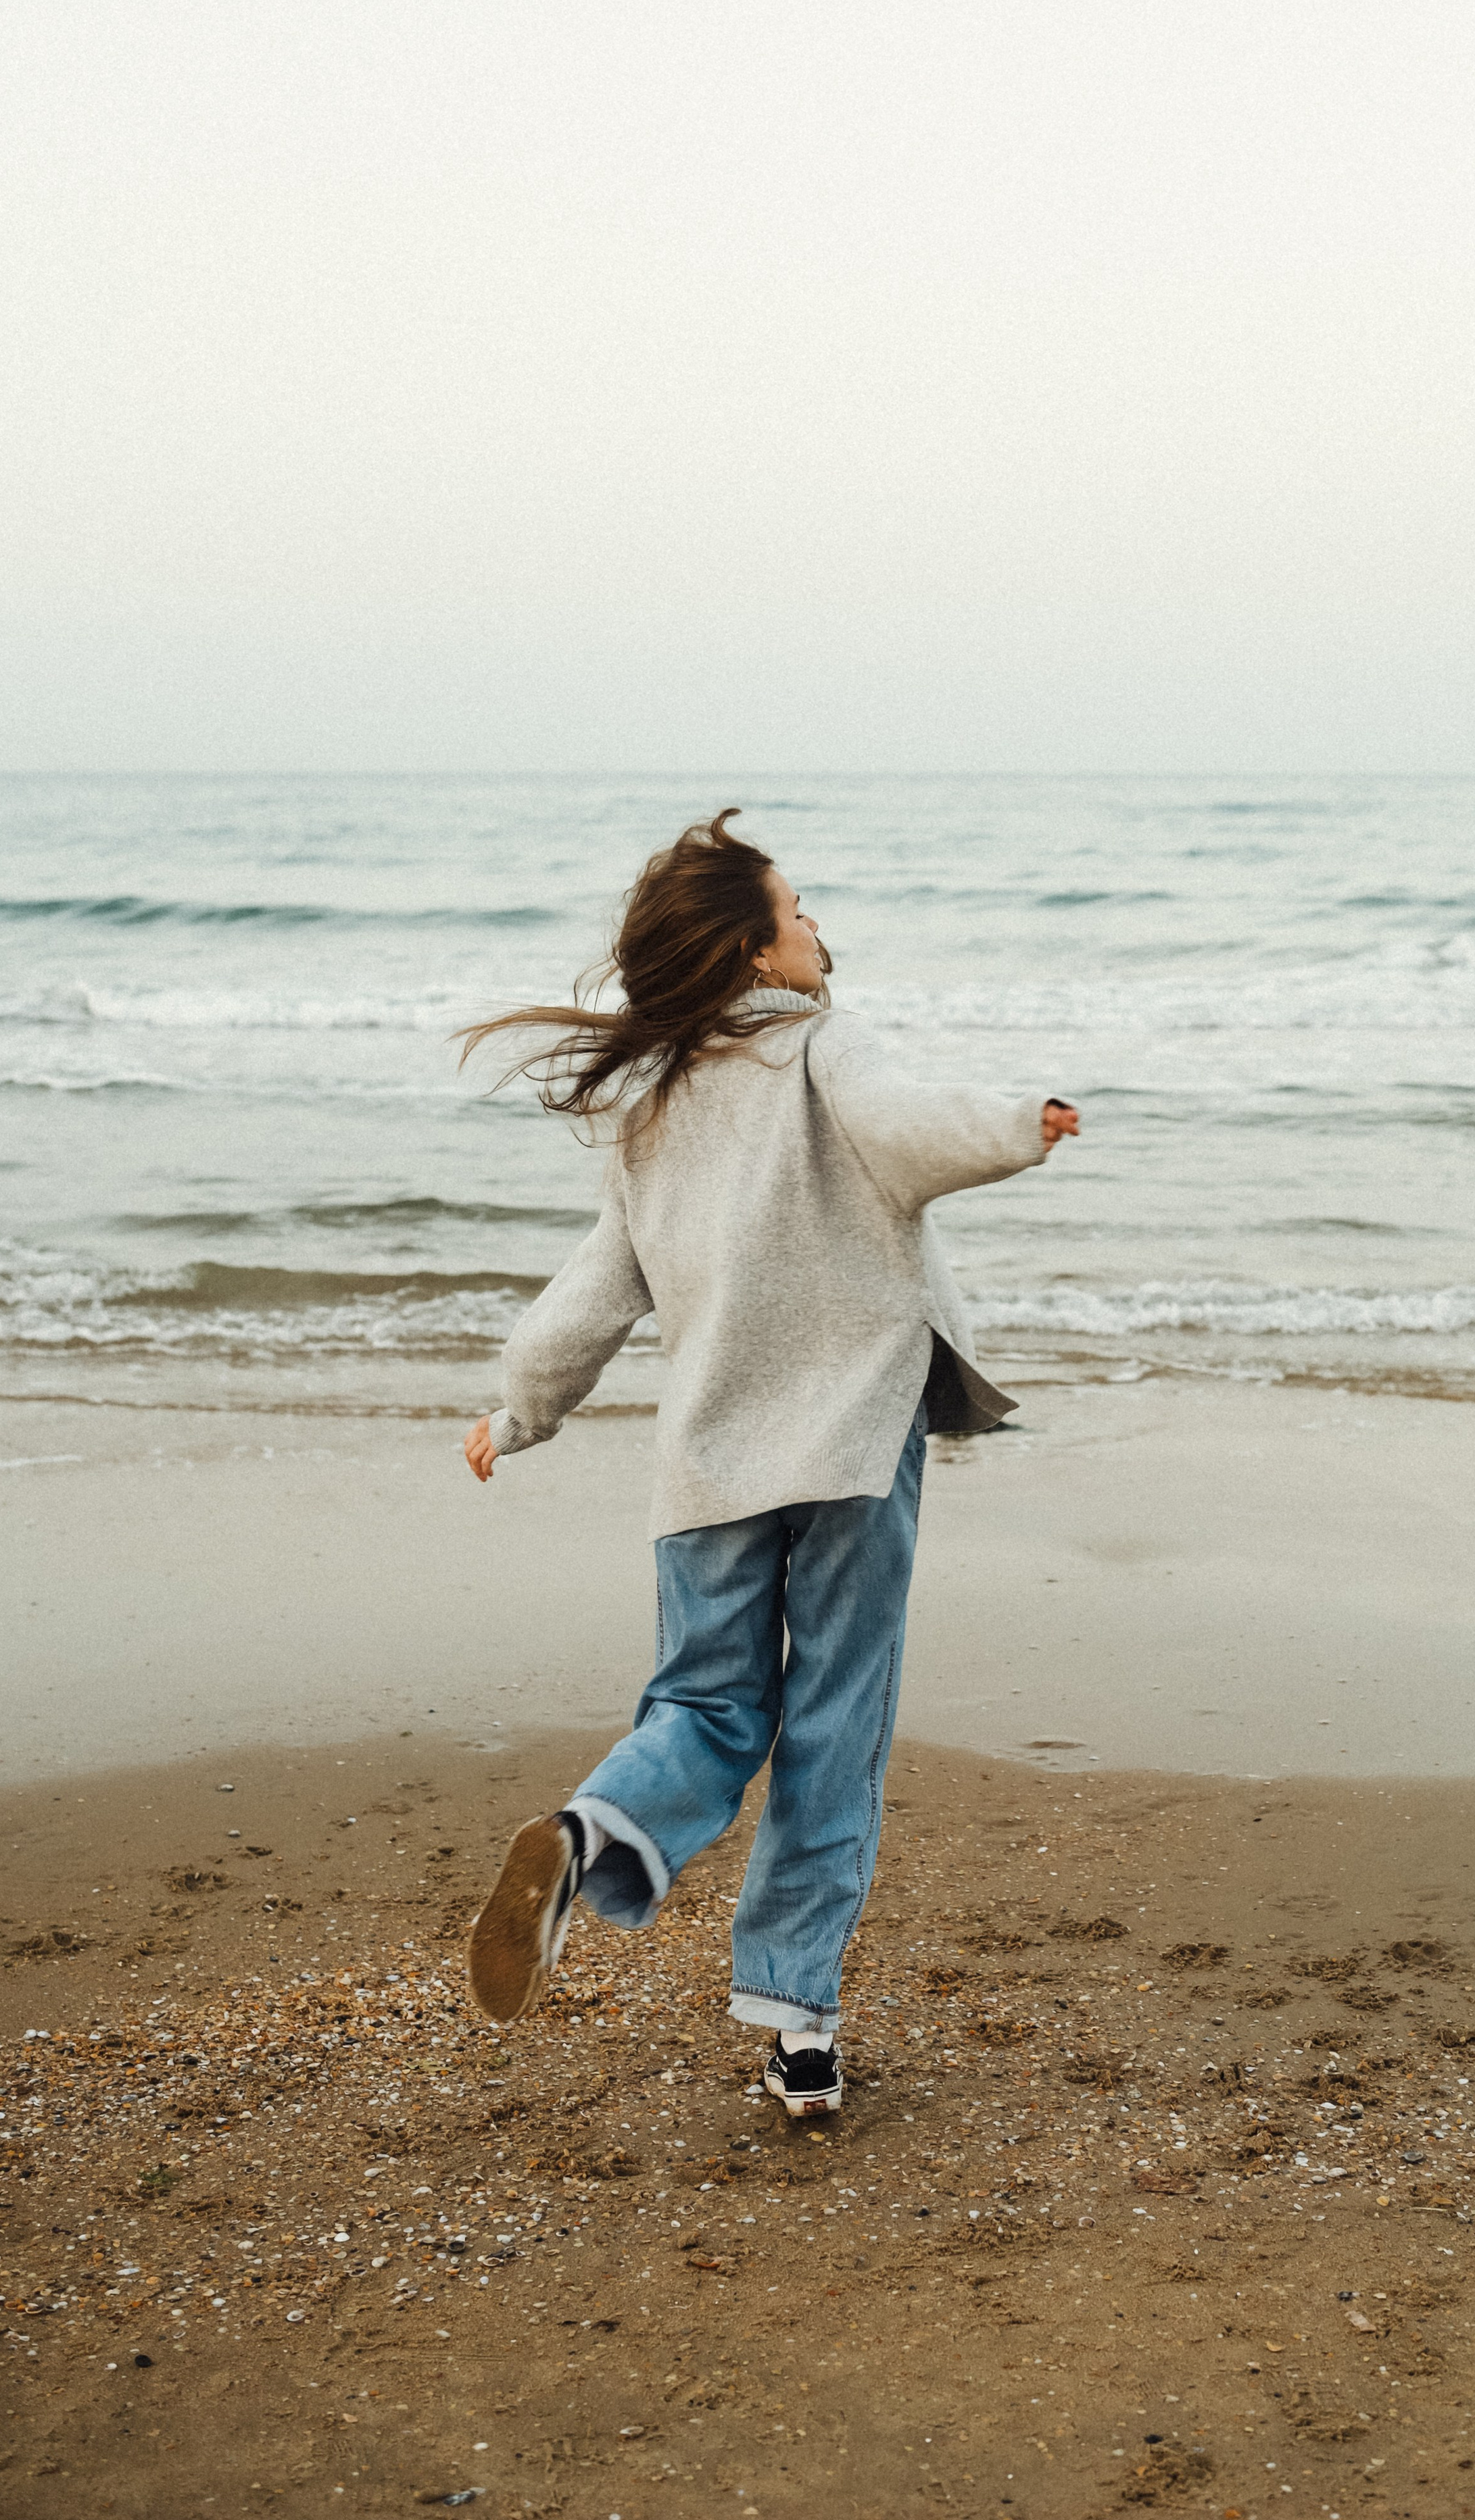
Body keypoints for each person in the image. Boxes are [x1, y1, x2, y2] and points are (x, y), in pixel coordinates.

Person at [456, 810, 1078, 2117]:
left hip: (709, 1467)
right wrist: (1018, 1123)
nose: (818, 928)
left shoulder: (653, 1106)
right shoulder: (823, 1047)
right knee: (835, 1720)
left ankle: (594, 1830)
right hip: (851, 1445)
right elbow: (908, 1126)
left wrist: (519, 1410)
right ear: (754, 949)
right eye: (799, 910)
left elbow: (595, 1291)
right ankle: (799, 2026)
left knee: (705, 1705)